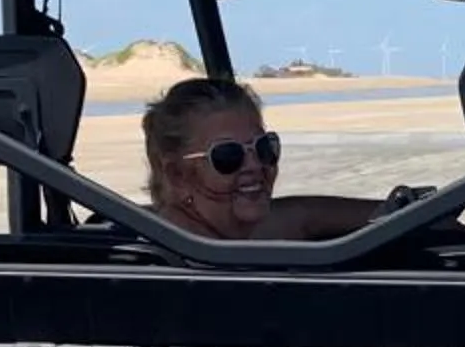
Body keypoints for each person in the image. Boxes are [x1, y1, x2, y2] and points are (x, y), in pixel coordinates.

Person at [139, 76, 430, 241]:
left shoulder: (229, 229)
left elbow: (304, 215)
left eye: (265, 148)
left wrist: (417, 215)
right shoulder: (169, 261)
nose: (255, 165)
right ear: (177, 175)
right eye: (228, 156)